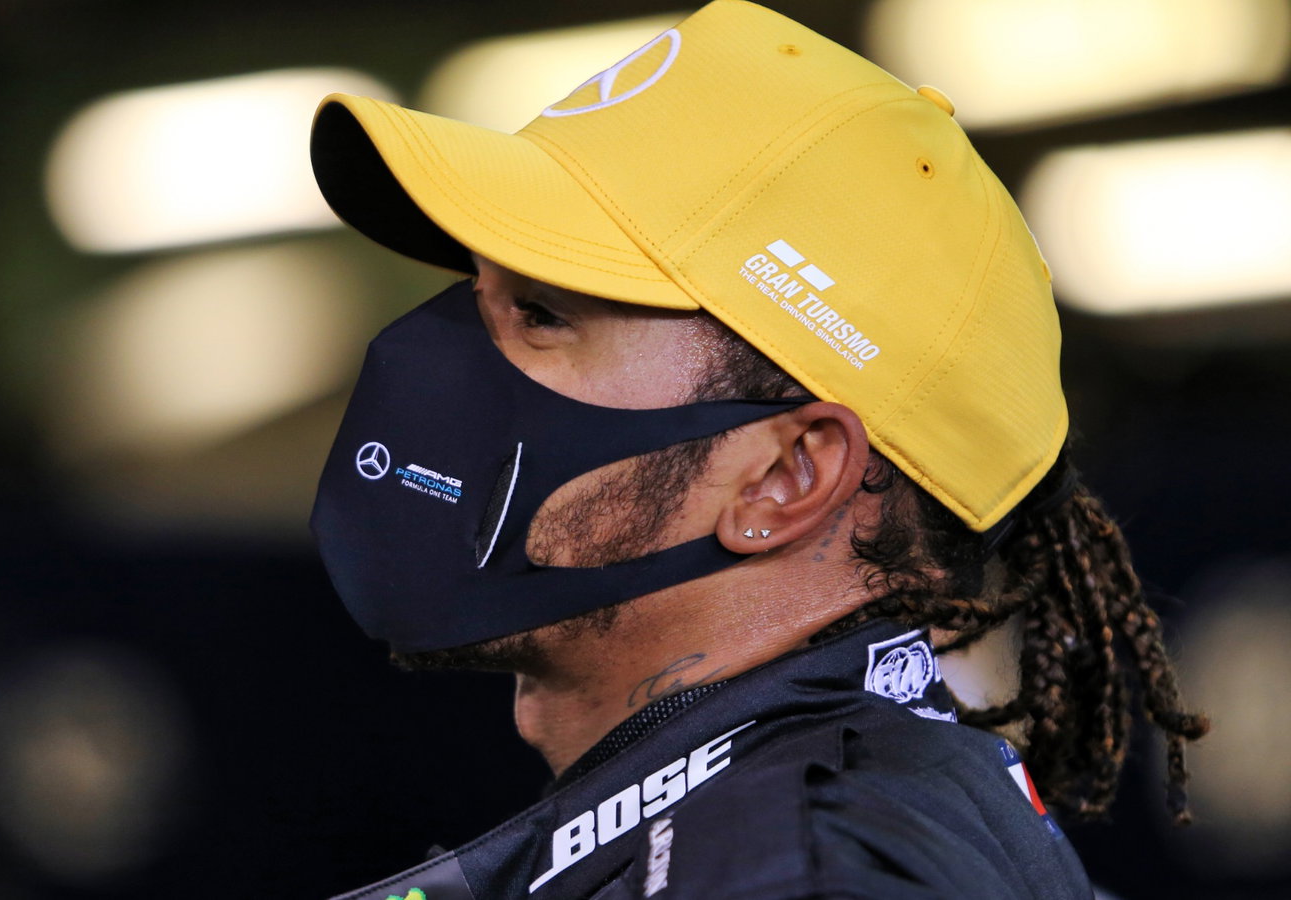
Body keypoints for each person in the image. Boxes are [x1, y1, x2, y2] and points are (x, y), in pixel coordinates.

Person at [305, 2, 1208, 898]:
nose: (435, 348)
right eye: (476, 288)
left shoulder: (801, 862)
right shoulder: (814, 819)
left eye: (542, 312)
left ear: (785, 476)